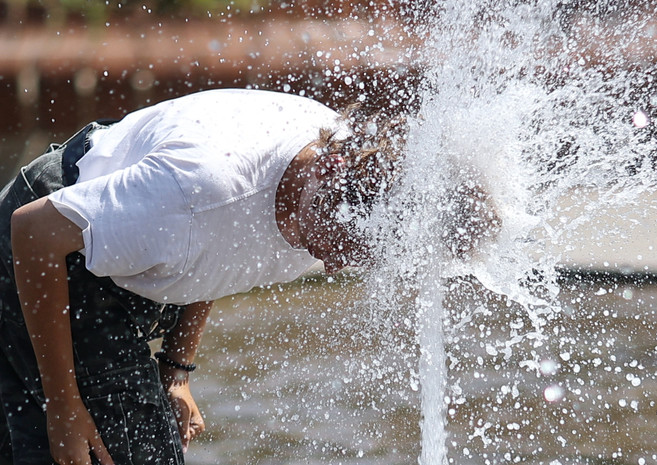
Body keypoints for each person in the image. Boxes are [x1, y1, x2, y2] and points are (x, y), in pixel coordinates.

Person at [0, 88, 498, 465]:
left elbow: (222, 254)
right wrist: (64, 404)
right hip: (53, 252)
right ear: (334, 169)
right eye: (346, 246)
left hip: (129, 242)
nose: (341, 263)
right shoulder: (200, 188)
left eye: (371, 256)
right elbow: (34, 231)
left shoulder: (334, 200)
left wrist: (177, 370)